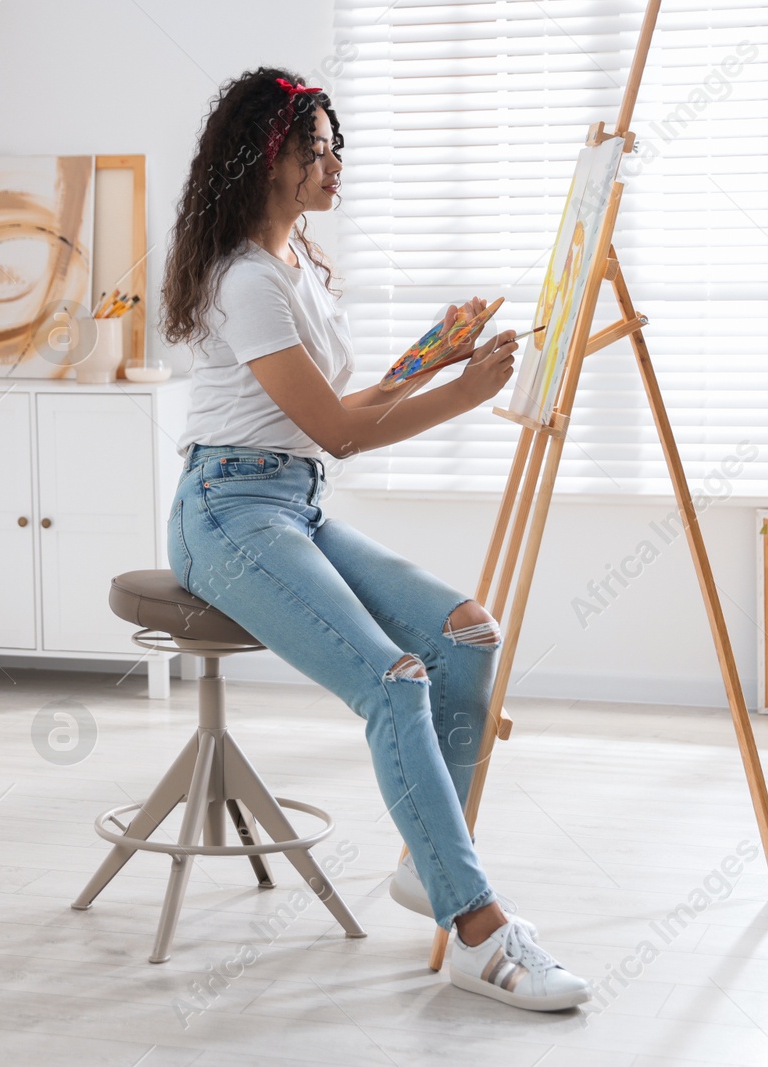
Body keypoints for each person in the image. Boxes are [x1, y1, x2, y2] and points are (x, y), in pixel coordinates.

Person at [159, 67, 590, 1012]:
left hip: (291, 500)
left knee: (467, 633)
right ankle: (479, 928)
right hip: (225, 514)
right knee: (395, 679)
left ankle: (422, 864)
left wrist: (428, 357)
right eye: (322, 145)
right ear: (275, 155)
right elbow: (343, 431)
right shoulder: (243, 279)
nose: (337, 162)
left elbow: (330, 416)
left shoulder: (298, 268)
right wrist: (463, 393)